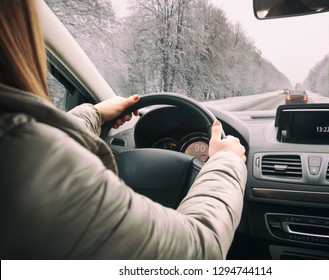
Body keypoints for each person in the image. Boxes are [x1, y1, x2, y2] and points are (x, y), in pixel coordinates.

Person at [0, 0, 247, 259]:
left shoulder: (21, 151)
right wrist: (226, 161)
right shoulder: (30, 159)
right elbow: (199, 252)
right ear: (20, 34)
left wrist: (93, 112)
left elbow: (46, 142)